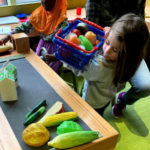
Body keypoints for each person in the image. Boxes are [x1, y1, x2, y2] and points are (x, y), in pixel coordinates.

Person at [85, 0, 150, 117]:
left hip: (129, 52)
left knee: (146, 86)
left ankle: (123, 100)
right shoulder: (95, 2)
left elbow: (139, 28)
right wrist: (107, 36)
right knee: (103, 81)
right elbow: (90, 34)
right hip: (105, 48)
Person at [0, 0, 68, 72]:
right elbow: (24, 27)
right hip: (42, 45)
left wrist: (55, 56)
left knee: (48, 74)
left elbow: (65, 45)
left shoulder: (62, 21)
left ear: (57, 2)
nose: (44, 2)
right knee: (37, 69)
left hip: (54, 50)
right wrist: (8, 36)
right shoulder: (40, 13)